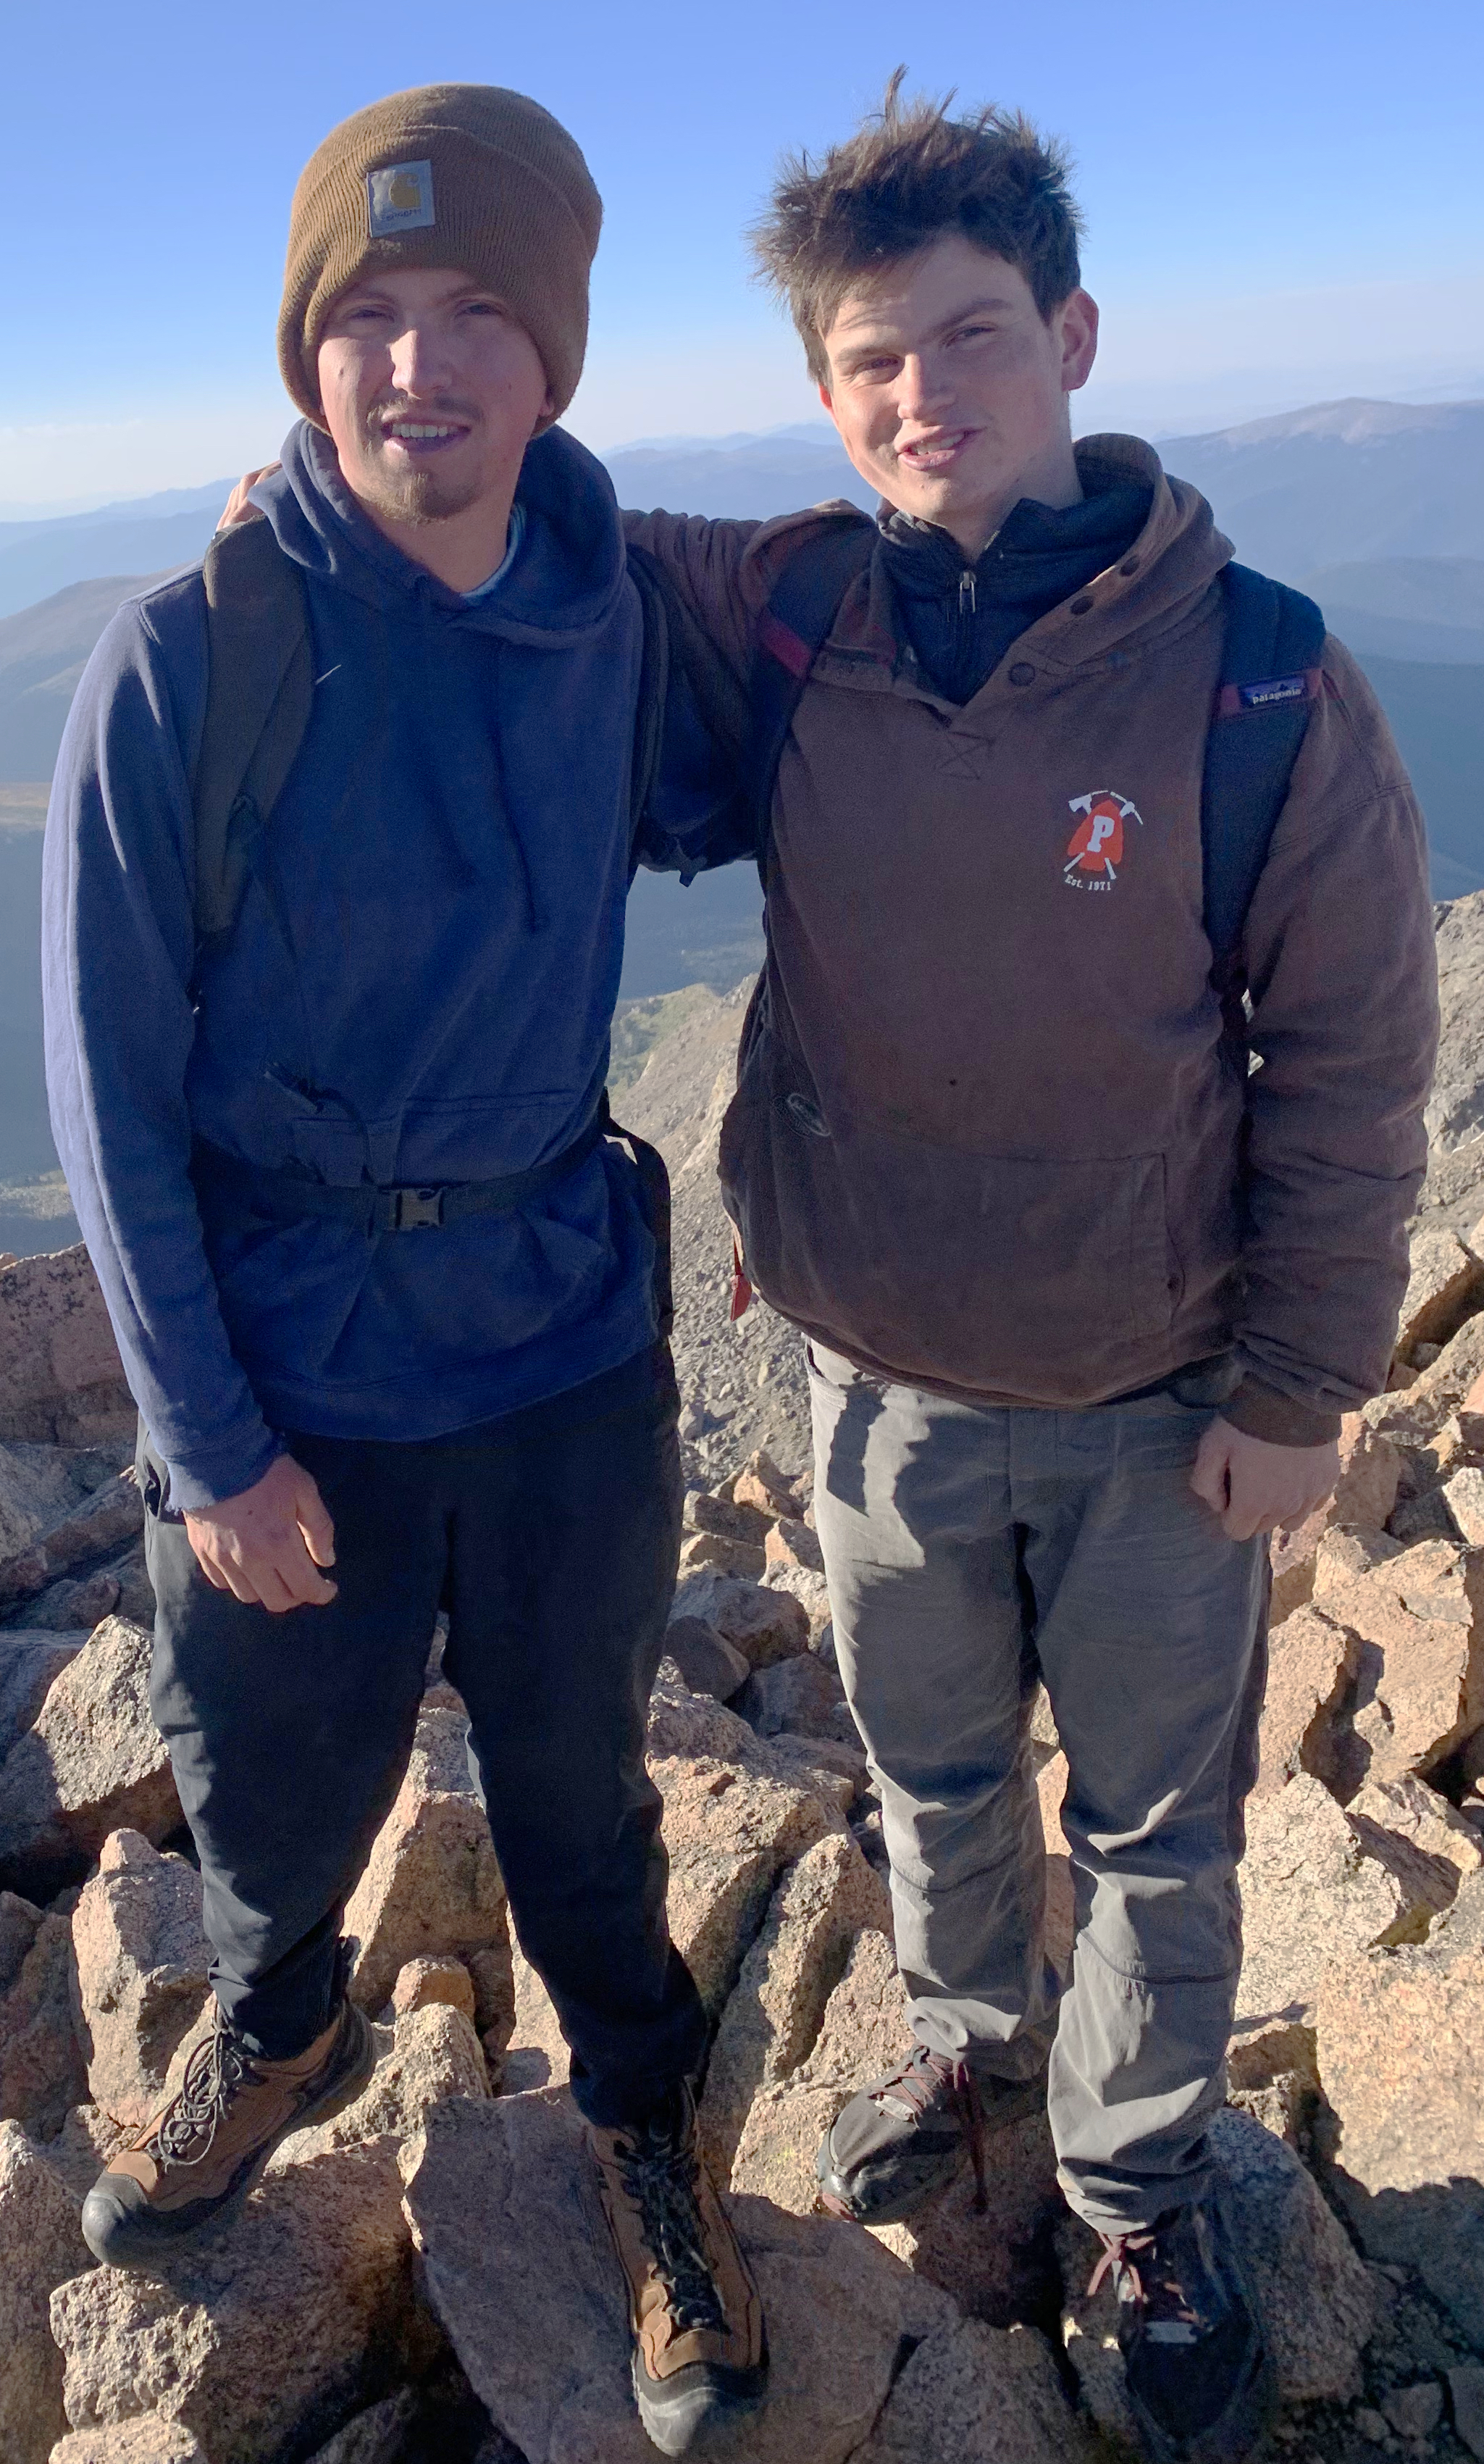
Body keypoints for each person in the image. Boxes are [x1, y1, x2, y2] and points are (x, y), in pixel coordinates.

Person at [617, 77, 1438, 2464]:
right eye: (869, 360)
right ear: (821, 395)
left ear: (1072, 336)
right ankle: (973, 2052)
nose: (922, 393)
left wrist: (1298, 1384)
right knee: (931, 1770)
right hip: (871, 1385)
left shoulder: (1254, 669)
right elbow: (535, 533)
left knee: (1158, 1827)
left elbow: (1359, 1053)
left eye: (970, 335)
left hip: (1160, 1393)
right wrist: (323, 494)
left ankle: (1139, 2183)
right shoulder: (783, 610)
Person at [42, 85, 766, 2460]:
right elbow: (106, 1087)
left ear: (555, 357)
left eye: (478, 317)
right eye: (364, 314)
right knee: (275, 1781)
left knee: (578, 1782)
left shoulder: (626, 621)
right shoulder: (198, 653)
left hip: (560, 1335)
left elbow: (860, 795)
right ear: (301, 348)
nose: (416, 367)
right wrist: (209, 1441)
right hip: (293, 1355)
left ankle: (640, 2125)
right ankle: (278, 2020)